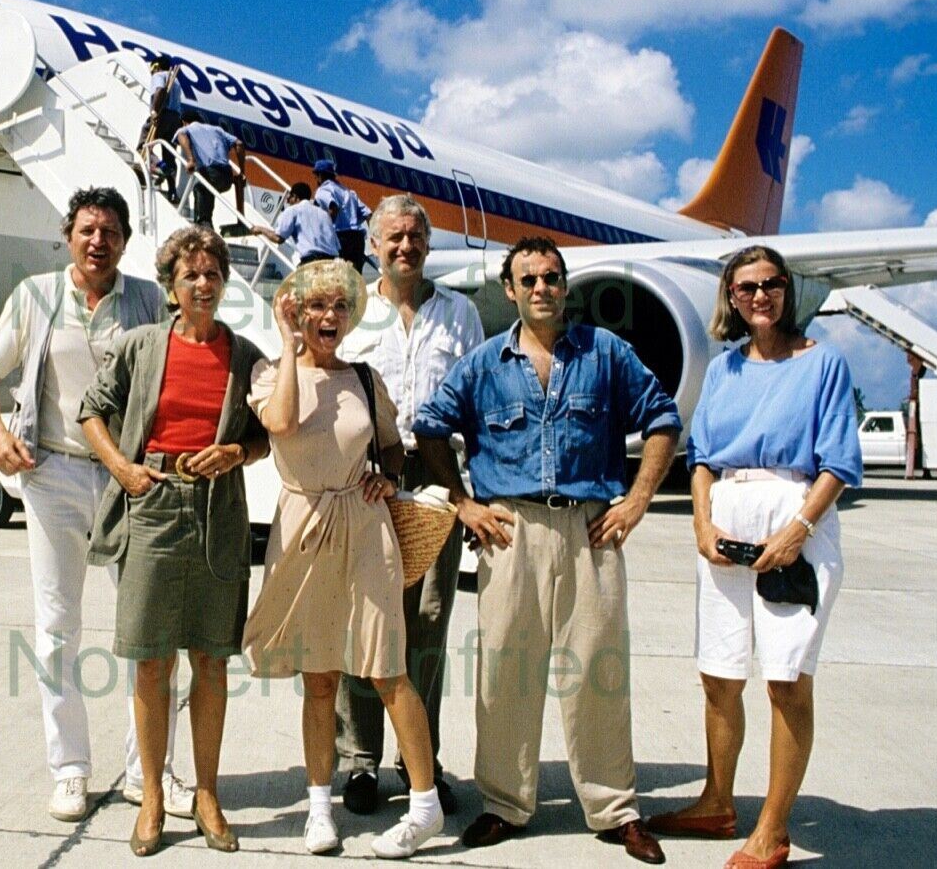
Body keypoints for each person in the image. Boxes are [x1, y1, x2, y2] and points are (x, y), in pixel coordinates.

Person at [414, 236, 679, 865]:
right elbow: (430, 427)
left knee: (598, 670)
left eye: (552, 278)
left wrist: (638, 500)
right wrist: (463, 504)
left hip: (591, 529)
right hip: (512, 533)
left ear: (565, 287)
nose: (542, 289)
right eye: (528, 279)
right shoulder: (484, 363)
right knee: (505, 671)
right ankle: (505, 804)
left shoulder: (605, 353)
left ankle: (614, 808)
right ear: (509, 290)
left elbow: (663, 418)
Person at [0, 187, 192, 823]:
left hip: (131, 480)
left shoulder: (150, 301)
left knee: (150, 631)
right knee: (57, 627)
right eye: (89, 229)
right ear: (69, 235)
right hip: (55, 474)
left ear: (126, 241)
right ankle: (70, 769)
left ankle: (149, 770)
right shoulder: (34, 295)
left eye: (112, 232)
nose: (100, 241)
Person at [646, 245, 861, 869]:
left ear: (787, 290)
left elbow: (839, 462)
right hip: (727, 514)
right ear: (731, 299)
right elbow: (704, 455)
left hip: (795, 512)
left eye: (770, 284)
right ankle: (717, 802)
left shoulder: (824, 364)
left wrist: (796, 531)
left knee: (786, 679)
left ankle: (772, 827)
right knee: (718, 672)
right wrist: (702, 522)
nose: (759, 296)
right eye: (746, 288)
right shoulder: (725, 368)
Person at [242, 259, 446, 859]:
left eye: (337, 308)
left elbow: (389, 445)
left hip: (364, 527)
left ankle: (425, 805)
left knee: (387, 670)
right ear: (296, 312)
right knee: (320, 676)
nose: (328, 317)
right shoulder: (267, 374)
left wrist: (387, 476)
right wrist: (286, 346)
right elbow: (280, 422)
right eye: (315, 307)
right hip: (302, 527)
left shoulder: (364, 376)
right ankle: (319, 808)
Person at [79, 226, 271, 856]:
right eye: (191, 274)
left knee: (212, 657)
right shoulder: (140, 345)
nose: (203, 283)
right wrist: (123, 469)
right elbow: (90, 410)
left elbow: (268, 434)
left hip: (218, 511)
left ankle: (208, 793)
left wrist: (239, 451)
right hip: (153, 503)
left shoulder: (244, 355)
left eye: (213, 273)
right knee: (151, 658)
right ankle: (155, 795)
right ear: (171, 285)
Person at [334, 194, 484, 817]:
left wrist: (475, 492)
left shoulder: (461, 314)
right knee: (364, 620)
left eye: (415, 238)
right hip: (363, 475)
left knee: (428, 620)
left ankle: (419, 760)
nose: (404, 247)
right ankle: (359, 761)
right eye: (392, 237)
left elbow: (477, 401)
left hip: (436, 472)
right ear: (373, 245)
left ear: (427, 245)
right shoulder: (350, 311)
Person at [174, 111, 247, 229]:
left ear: (184, 122)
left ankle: (203, 224)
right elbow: (239, 144)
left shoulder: (187, 129)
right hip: (227, 176)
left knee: (200, 188)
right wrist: (242, 172)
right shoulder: (217, 129)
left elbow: (181, 135)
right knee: (209, 189)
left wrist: (191, 160)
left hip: (211, 171)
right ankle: (209, 221)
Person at [249, 181, 339, 264]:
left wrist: (260, 229)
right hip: (332, 264)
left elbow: (278, 238)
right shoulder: (324, 214)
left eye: (290, 197)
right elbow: (336, 245)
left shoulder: (293, 210)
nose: (287, 201)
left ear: (295, 197)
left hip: (312, 262)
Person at [312, 159, 372, 272]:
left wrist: (325, 231)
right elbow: (368, 214)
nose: (315, 178)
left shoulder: (323, 190)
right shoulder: (349, 192)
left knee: (336, 277)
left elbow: (333, 208)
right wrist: (375, 237)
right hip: (358, 240)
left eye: (315, 175)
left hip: (341, 239)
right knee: (355, 277)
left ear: (320, 175)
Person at [140, 55, 184, 200]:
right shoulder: (175, 81)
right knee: (170, 154)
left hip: (162, 114)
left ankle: (161, 166)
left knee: (144, 146)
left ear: (156, 66)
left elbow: (159, 91)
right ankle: (172, 190)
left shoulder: (159, 75)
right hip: (176, 119)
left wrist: (154, 111)